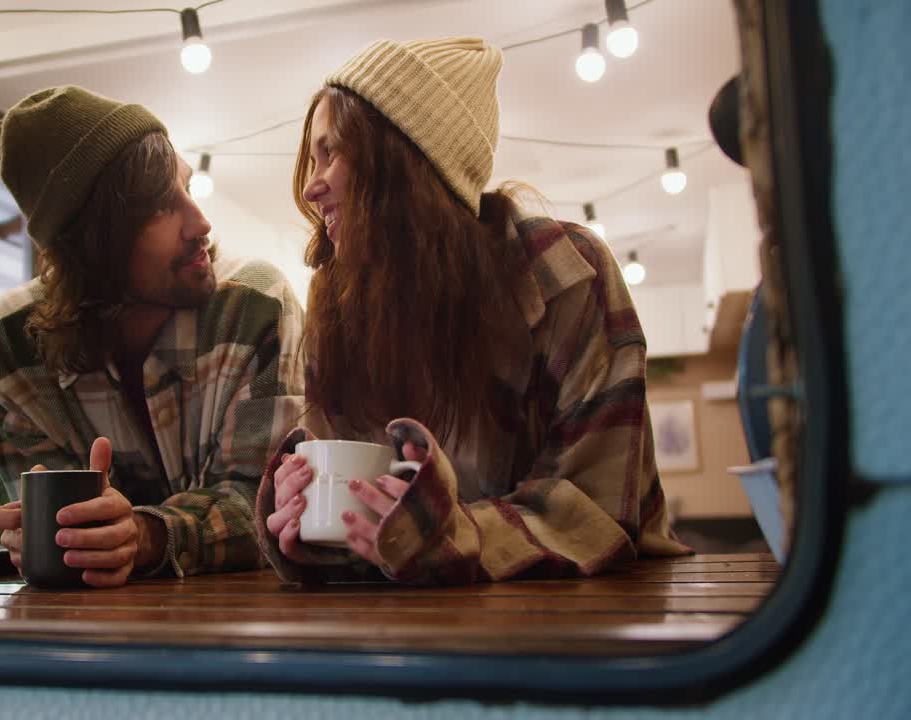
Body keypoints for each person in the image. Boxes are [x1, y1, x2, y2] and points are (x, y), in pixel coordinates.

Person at [256, 38, 691, 585]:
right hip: (404, 630)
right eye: (312, 159)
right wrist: (304, 518)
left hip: (594, 614)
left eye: (332, 153)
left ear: (405, 163)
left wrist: (444, 535)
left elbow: (599, 510)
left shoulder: (564, 273)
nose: (311, 186)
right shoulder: (338, 306)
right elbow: (364, 518)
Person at [0, 86, 305, 588]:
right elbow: (63, 527)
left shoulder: (252, 305)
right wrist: (51, 537)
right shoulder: (12, 347)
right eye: (158, 208)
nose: (201, 222)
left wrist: (148, 534)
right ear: (92, 244)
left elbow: (264, 502)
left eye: (186, 188)